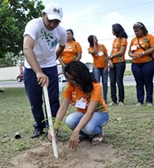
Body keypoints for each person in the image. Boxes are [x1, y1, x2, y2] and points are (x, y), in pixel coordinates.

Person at [23, 3, 67, 138]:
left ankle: (52, 127)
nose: (53, 24)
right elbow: (27, 48)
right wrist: (38, 72)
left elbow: (62, 45)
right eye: (50, 20)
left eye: (57, 21)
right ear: (43, 15)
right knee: (35, 100)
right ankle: (39, 126)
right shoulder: (33, 25)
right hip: (31, 68)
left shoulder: (61, 31)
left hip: (50, 67)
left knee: (53, 99)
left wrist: (53, 59)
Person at [48, 60, 109, 149]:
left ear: (81, 77)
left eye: (72, 79)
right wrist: (55, 127)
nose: (70, 81)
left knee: (89, 128)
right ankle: (83, 134)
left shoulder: (95, 86)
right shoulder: (69, 86)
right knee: (70, 120)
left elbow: (90, 112)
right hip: (83, 113)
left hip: (100, 113)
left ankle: (99, 133)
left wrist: (76, 131)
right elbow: (63, 108)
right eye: (68, 78)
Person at [128, 22, 154, 106]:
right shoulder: (133, 40)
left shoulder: (149, 37)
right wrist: (132, 55)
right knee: (139, 82)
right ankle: (140, 100)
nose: (136, 32)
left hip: (148, 62)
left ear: (142, 30)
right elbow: (129, 52)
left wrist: (143, 53)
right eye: (134, 31)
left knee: (148, 82)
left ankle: (149, 101)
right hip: (135, 63)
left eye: (137, 31)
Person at [108, 23, 128, 106]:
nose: (112, 31)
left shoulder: (123, 39)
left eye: (113, 30)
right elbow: (112, 51)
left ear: (116, 30)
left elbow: (121, 52)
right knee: (112, 82)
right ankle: (113, 100)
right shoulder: (115, 40)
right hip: (113, 63)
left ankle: (121, 100)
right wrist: (110, 60)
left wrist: (111, 56)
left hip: (120, 62)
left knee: (119, 82)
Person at [88, 35, 108, 102]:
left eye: (96, 38)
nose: (96, 39)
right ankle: (99, 98)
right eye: (94, 38)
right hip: (96, 68)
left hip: (103, 67)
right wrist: (94, 43)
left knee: (105, 83)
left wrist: (106, 66)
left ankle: (105, 98)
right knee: (97, 84)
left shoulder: (102, 46)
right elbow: (94, 52)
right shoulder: (90, 48)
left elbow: (106, 56)